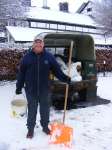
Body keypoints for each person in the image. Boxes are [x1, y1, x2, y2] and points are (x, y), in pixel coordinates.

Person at [16, 34, 71, 139]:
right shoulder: (26, 58)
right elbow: (21, 74)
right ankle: (30, 129)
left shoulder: (49, 57)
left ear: (43, 44)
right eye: (36, 42)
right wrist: (18, 87)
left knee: (45, 110)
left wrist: (65, 78)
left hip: (45, 90)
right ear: (33, 45)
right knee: (32, 110)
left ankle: (45, 127)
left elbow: (57, 71)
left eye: (40, 42)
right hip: (31, 91)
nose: (38, 44)